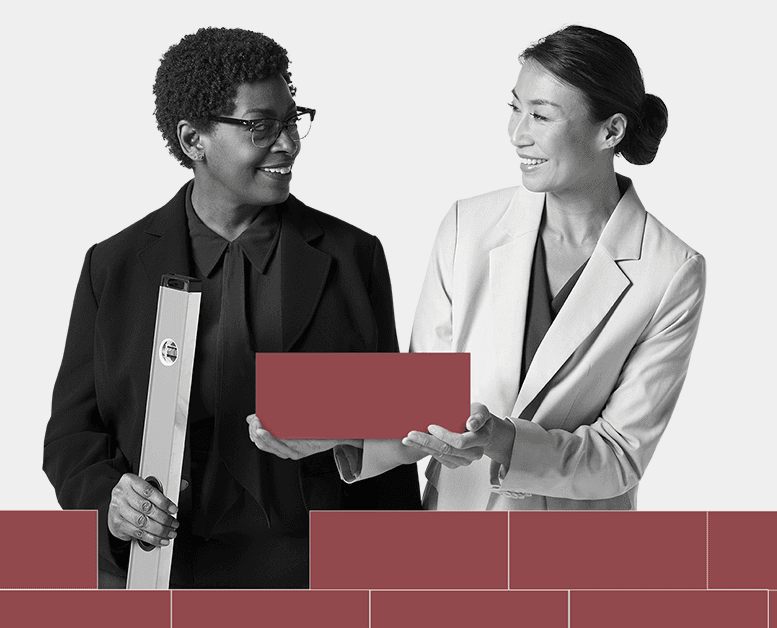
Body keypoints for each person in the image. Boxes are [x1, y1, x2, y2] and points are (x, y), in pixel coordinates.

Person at [253, 25, 704, 510]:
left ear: (610, 131)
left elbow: (618, 457)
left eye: (540, 115)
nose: (517, 134)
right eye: (515, 108)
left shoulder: (671, 271)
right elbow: (423, 398)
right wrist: (335, 428)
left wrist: (503, 441)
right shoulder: (467, 226)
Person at [42, 27, 420, 589]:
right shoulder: (113, 265)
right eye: (261, 126)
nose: (289, 143)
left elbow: (393, 429)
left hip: (318, 578)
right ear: (193, 139)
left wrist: (400, 581)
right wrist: (110, 504)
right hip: (165, 575)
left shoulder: (352, 257)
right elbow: (73, 435)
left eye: (293, 120)